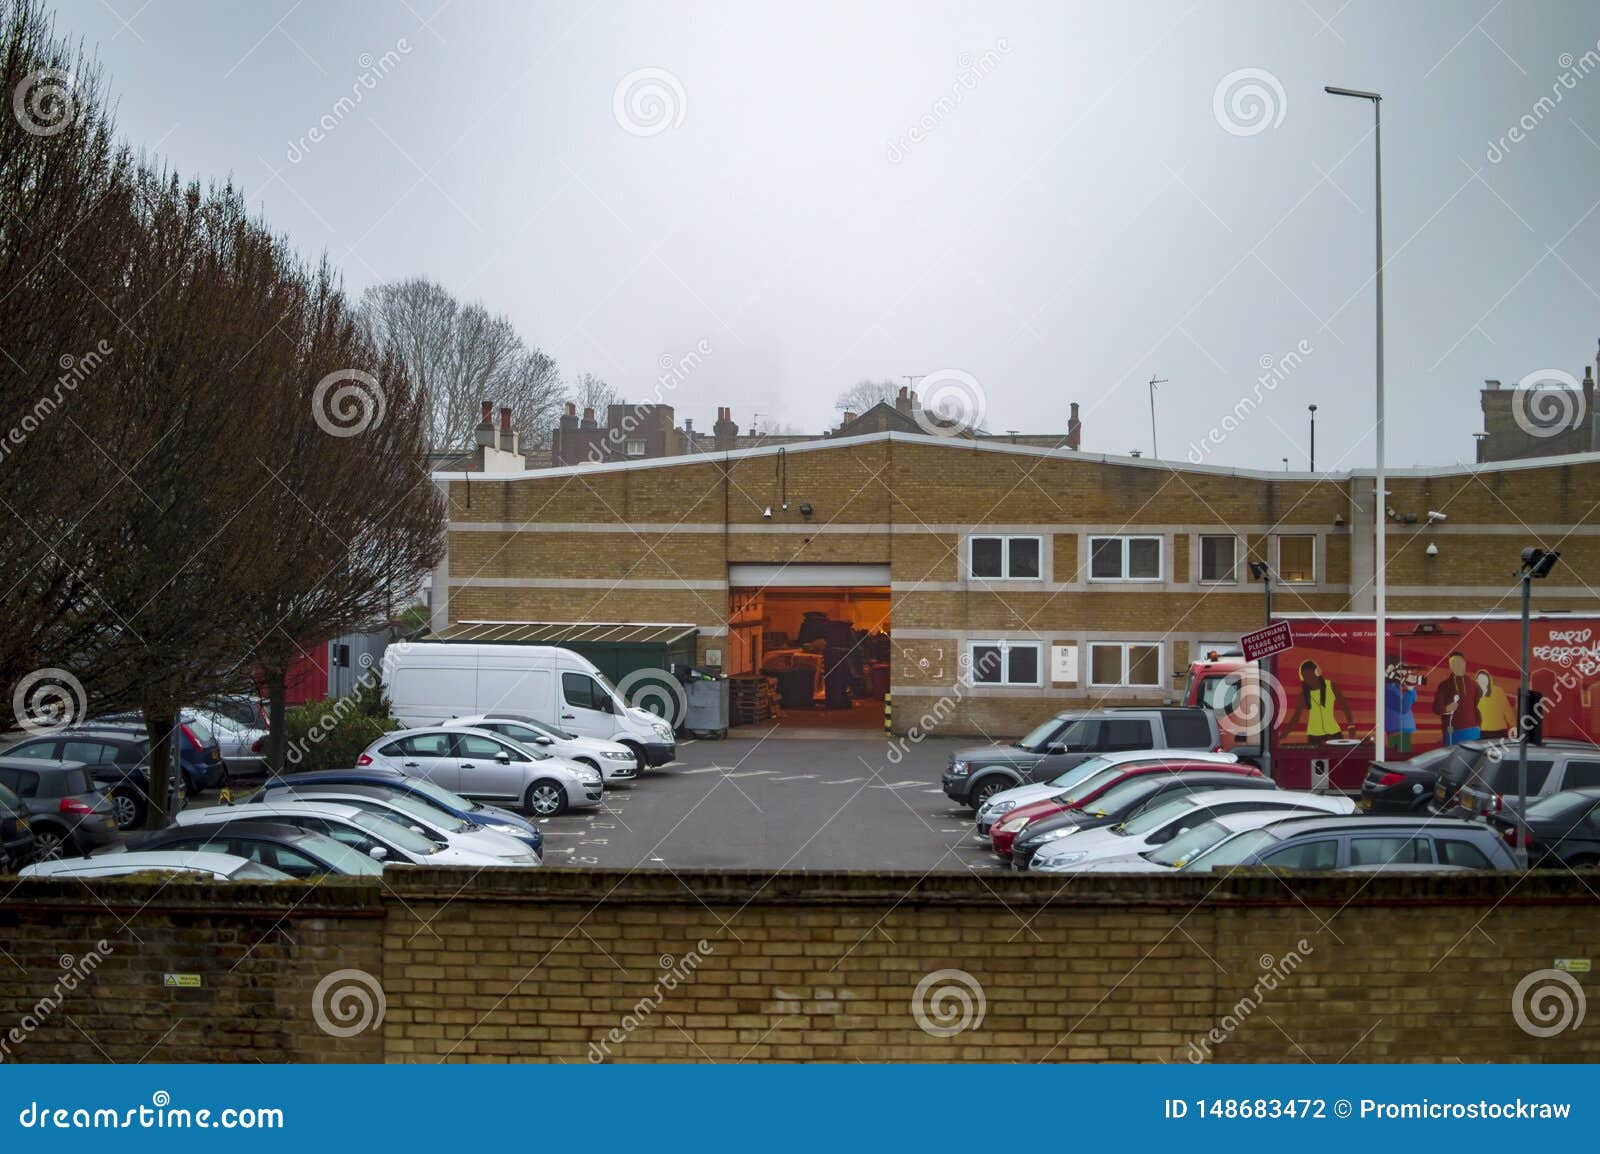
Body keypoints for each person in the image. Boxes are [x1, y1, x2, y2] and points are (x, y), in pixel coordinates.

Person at [1278, 659, 1356, 746]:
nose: (1309, 679)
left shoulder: (1331, 686)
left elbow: (1345, 706)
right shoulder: (1303, 695)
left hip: (1334, 734)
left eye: (1311, 676)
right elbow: (1295, 719)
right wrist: (1283, 735)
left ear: (1317, 673)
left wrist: (1351, 725)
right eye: (1306, 677)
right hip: (1314, 737)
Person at [1430, 651, 1482, 745]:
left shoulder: (1474, 685)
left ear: (1464, 663)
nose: (1455, 665)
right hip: (1452, 730)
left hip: (1472, 730)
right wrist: (1447, 708)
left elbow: (1478, 706)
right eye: (1452, 663)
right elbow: (1436, 708)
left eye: (1458, 662)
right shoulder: (1444, 685)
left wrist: (1478, 726)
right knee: (1452, 758)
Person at [1384, 655, 1418, 753]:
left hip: (1402, 729)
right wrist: (1410, 690)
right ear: (1390, 668)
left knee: (1403, 757)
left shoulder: (1395, 686)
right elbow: (1403, 708)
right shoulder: (1386, 688)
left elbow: (1414, 700)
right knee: (1401, 757)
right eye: (1401, 668)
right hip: (1397, 730)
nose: (1404, 672)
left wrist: (1410, 687)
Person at [1475, 669, 1514, 741]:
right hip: (1482, 732)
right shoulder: (1474, 694)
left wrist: (1513, 725)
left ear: (1489, 680)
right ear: (1477, 680)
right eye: (1480, 679)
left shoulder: (1498, 691)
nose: (1483, 681)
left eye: (1485, 678)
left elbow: (1507, 709)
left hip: (1499, 731)